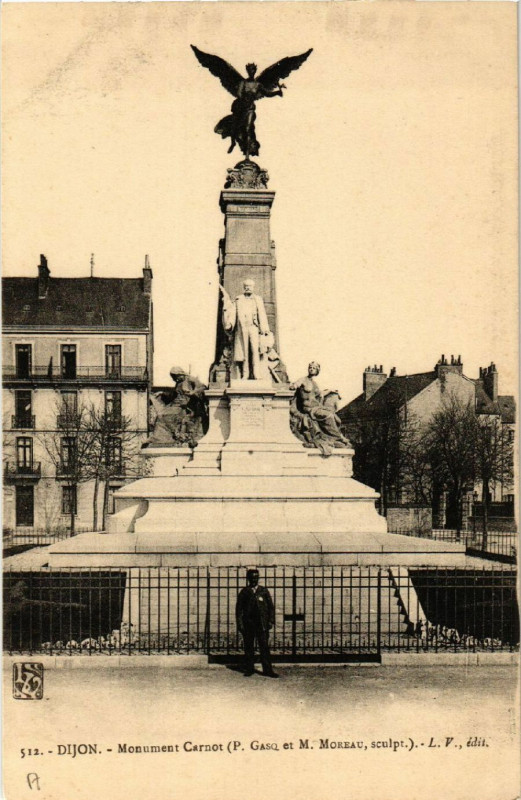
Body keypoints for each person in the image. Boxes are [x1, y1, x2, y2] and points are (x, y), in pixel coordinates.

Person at [290, 362, 351, 454]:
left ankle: (335, 437)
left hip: (316, 407)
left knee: (334, 416)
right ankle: (339, 437)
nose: (311, 369)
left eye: (314, 368)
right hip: (309, 409)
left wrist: (330, 390)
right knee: (329, 416)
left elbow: (320, 394)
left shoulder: (314, 383)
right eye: (310, 367)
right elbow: (295, 385)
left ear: (317, 371)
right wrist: (293, 386)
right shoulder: (303, 380)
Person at [221, 279, 272, 380]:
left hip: (254, 328)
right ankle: (245, 374)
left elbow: (262, 314)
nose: (248, 288)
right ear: (243, 288)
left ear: (253, 287)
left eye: (249, 286)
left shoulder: (257, 299)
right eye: (246, 286)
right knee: (244, 352)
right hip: (242, 328)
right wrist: (230, 324)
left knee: (255, 351)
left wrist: (265, 329)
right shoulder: (238, 300)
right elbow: (233, 314)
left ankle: (257, 373)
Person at [236, 569, 278, 678]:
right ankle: (250, 669)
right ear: (248, 579)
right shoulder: (244, 592)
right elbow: (239, 610)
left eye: (256, 577)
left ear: (258, 578)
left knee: (264, 647)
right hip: (249, 624)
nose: (254, 579)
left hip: (262, 624)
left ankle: (268, 670)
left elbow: (271, 608)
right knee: (249, 647)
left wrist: (270, 621)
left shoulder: (263, 591)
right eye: (252, 577)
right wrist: (240, 624)